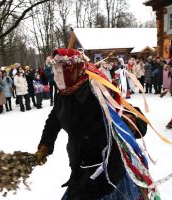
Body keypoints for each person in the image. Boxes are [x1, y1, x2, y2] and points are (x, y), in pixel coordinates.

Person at [35, 49, 150, 200]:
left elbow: (130, 113)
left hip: (106, 170)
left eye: (59, 72)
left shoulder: (97, 90)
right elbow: (53, 121)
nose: (55, 77)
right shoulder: (63, 94)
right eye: (54, 72)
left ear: (72, 71)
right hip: (79, 164)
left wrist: (131, 122)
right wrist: (45, 144)